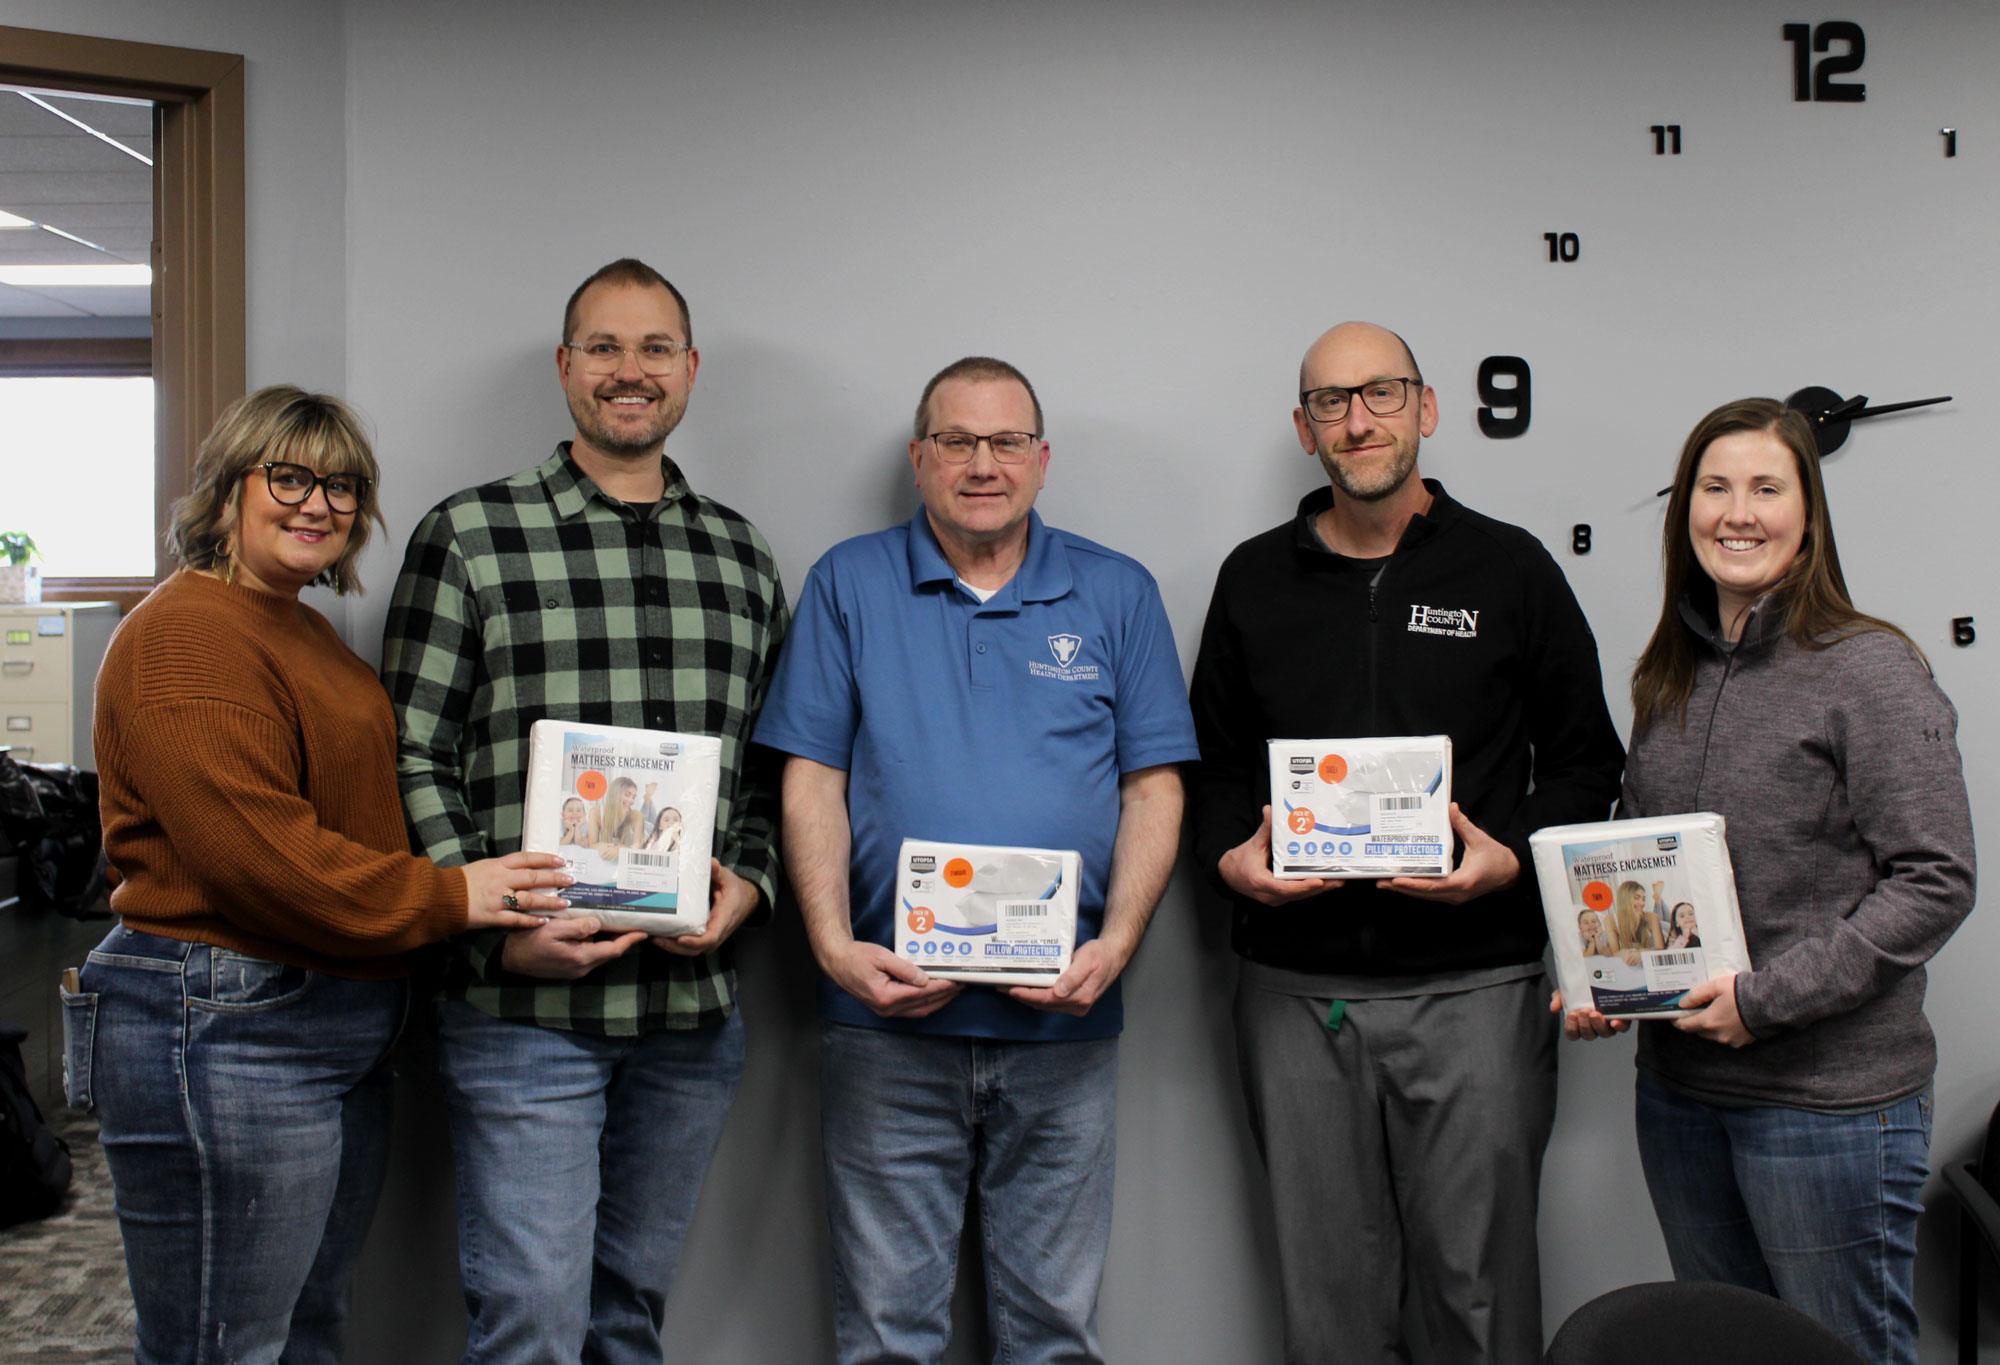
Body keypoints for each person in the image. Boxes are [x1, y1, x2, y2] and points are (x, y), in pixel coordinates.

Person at [73, 385, 569, 1365]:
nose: (318, 504)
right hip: (228, 1027)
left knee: (300, 1332)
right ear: (226, 492)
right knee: (224, 1348)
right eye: (289, 476)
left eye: (342, 485)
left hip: (315, 1021)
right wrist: (455, 894)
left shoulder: (294, 626)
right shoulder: (188, 635)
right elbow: (260, 859)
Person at [1187, 322, 1625, 1364]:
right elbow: (1207, 767)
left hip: (1475, 984)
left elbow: (1582, 761)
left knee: (1477, 1298)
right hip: (1295, 992)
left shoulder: (1510, 570)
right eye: (1331, 403)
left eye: (1379, 394)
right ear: (1304, 429)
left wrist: (1510, 855)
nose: (1357, 419)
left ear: (1426, 410)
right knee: (1325, 1302)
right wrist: (1227, 862)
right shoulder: (1251, 579)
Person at [381, 258, 789, 1363]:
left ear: (689, 371)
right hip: (524, 1020)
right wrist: (498, 927)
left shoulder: (742, 557)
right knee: (530, 1324)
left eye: (655, 348)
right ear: (565, 368)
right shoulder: (468, 534)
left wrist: (747, 882)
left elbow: (764, 770)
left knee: (627, 1319)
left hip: (689, 1012)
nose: (629, 372)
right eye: (603, 348)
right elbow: (409, 751)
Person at [754, 356, 1198, 1364]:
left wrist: (1116, 945)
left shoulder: (1115, 591)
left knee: (1051, 1335)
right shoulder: (847, 583)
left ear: (1041, 461)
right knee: (881, 1334)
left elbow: (1153, 788)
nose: (982, 465)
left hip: (1063, 1022)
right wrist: (829, 946)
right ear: (919, 459)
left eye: (1005, 443)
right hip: (885, 1022)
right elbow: (810, 778)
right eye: (956, 441)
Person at [1560, 397, 1975, 1365]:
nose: (1735, 512)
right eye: (1713, 487)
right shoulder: (1667, 676)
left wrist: (1761, 1002)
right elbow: (1646, 858)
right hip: (1681, 1095)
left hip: (1826, 1106)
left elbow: (1935, 877)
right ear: (1684, 512)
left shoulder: (1868, 670)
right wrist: (1606, 980)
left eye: (1763, 488)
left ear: (1806, 515)